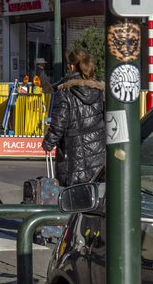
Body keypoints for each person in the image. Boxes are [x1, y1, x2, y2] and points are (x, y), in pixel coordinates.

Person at [42, 46, 106, 186]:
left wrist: (48, 142)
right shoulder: (100, 89)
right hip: (99, 152)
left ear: (72, 67)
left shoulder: (65, 91)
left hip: (73, 152)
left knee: (73, 196)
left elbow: (59, 123)